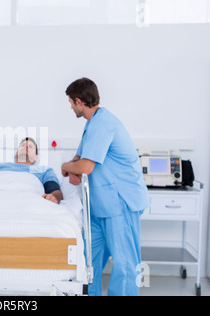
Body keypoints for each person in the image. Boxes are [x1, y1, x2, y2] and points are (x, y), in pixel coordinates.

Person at [61, 78, 150, 296]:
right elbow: (79, 158)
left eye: (71, 103)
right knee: (88, 263)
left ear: (79, 101)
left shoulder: (104, 124)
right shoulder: (92, 124)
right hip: (100, 207)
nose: (70, 107)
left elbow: (86, 166)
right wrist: (74, 168)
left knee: (125, 264)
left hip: (120, 204)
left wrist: (67, 166)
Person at [0, 137, 63, 205]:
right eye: (23, 146)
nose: (26, 147)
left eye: (30, 147)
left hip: (28, 202)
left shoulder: (43, 170)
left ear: (36, 158)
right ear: (16, 153)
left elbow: (55, 192)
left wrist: (54, 197)